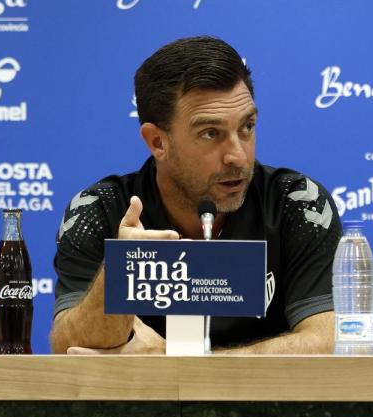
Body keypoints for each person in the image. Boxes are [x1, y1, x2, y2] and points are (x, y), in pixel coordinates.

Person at [50, 36, 341, 354]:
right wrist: (121, 274)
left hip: (266, 401)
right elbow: (69, 346)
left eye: (247, 127)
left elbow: (328, 344)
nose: (238, 157)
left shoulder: (297, 204)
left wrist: (174, 362)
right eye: (210, 133)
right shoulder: (101, 209)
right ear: (158, 142)